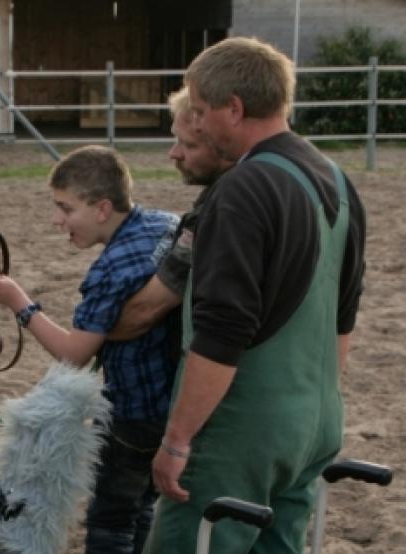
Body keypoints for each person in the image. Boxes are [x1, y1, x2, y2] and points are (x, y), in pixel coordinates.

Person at [144, 37, 367, 553]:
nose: (194, 124)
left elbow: (223, 330)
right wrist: (313, 412)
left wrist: (178, 441)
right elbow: (343, 318)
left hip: (241, 430)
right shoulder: (337, 179)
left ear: (235, 108)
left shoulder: (242, 189)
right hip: (315, 422)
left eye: (199, 111)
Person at [0, 145, 179, 553]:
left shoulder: (110, 268)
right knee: (143, 506)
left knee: (110, 518)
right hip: (176, 401)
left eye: (66, 209)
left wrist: (18, 301)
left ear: (102, 208)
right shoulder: (166, 225)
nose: (57, 221)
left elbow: (75, 354)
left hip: (134, 410)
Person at [108, 86, 234, 341]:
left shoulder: (216, 211)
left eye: (188, 144)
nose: (174, 153)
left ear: (222, 140)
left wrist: (93, 333)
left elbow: (144, 312)